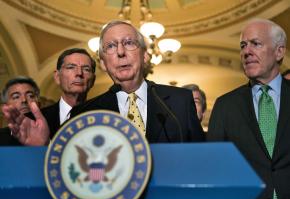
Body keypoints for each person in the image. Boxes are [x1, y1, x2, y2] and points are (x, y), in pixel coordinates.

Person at [2, 20, 204, 145]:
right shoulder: (85, 113)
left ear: (145, 56)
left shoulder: (180, 101)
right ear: (103, 64)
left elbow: (201, 160)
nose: (120, 52)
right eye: (110, 46)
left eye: (129, 43)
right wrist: (45, 146)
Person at [207, 19, 290, 199]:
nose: (246, 51)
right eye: (243, 46)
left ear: (279, 51)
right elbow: (215, 167)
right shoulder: (225, 105)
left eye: (256, 43)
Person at [40, 48, 96, 139]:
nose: (79, 73)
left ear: (93, 80)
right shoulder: (38, 119)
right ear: (57, 77)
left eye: (86, 69)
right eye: (71, 67)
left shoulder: (104, 118)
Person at [0, 76, 40, 146]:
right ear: (5, 107)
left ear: (39, 104)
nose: (24, 100)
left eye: (30, 96)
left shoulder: (55, 132)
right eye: (16, 97)